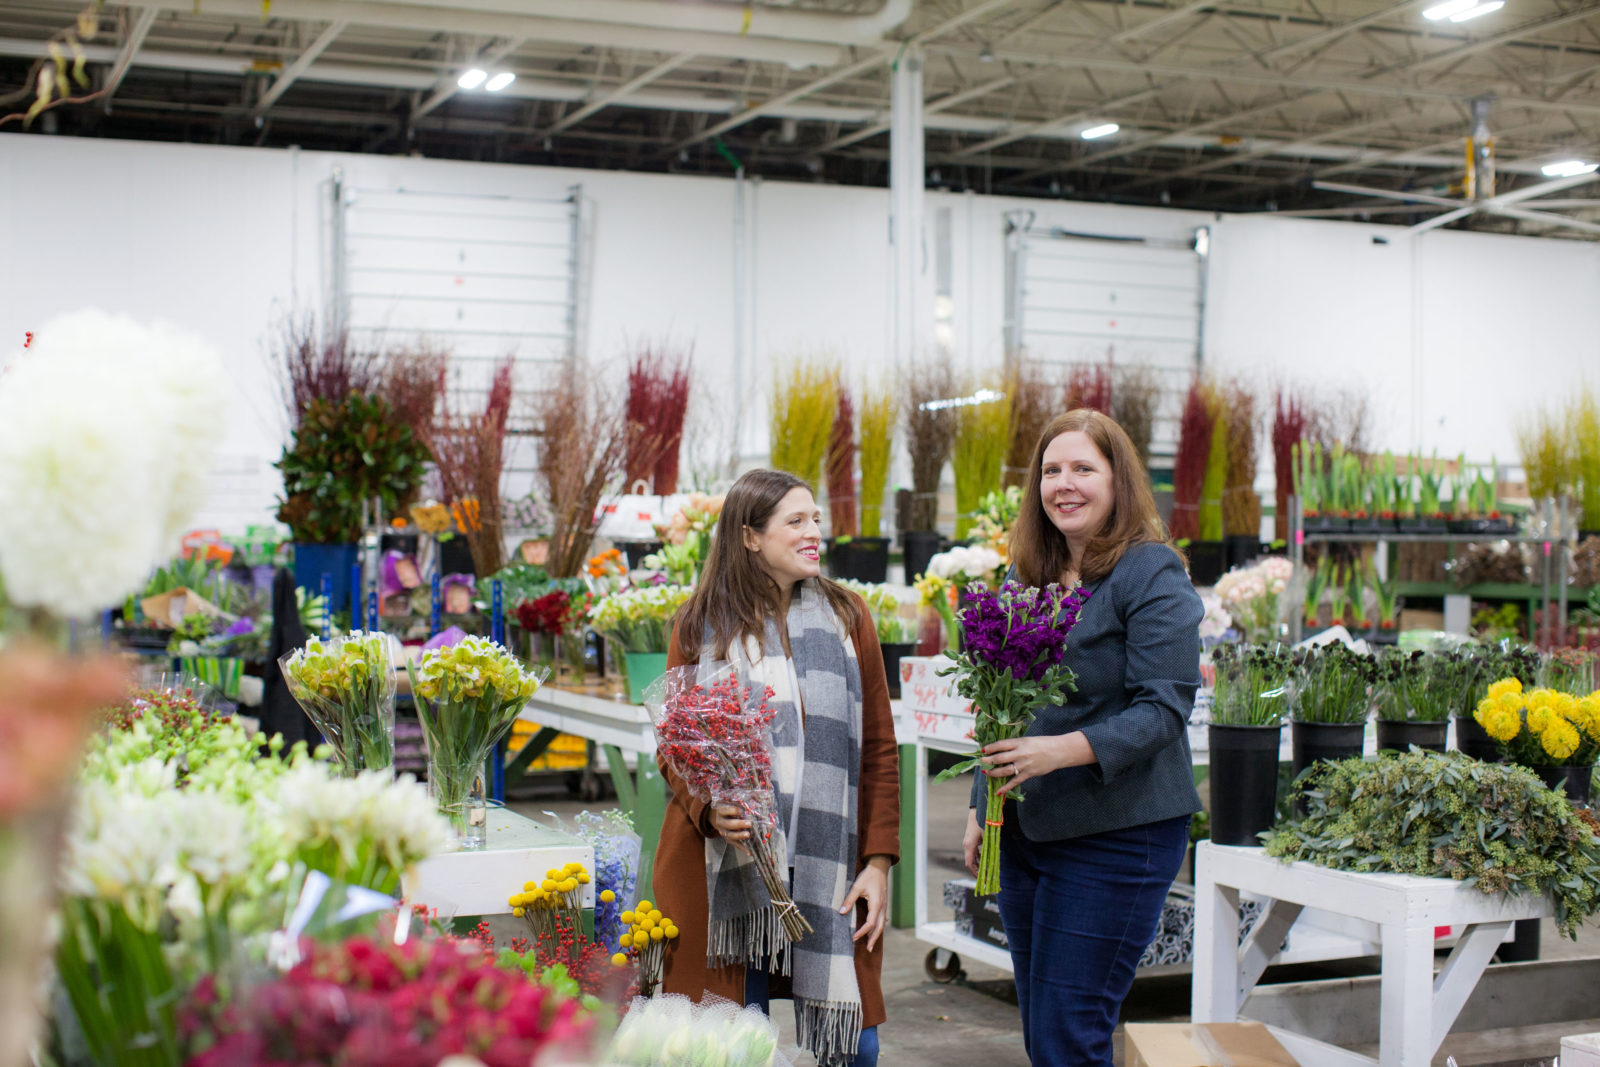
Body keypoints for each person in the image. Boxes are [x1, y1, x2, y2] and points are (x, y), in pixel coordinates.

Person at [964, 409, 1204, 1066]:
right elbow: (999, 704)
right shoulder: (1028, 579)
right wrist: (983, 805)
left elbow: (1164, 707)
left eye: (1082, 469)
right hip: (1028, 831)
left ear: (1117, 480)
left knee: (1073, 1030)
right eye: (1051, 470)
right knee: (1045, 1032)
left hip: (1118, 834)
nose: (1064, 484)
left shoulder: (1150, 572)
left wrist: (1058, 752)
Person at [654, 468, 900, 1067]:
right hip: (726, 877)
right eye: (796, 521)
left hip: (829, 871)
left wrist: (878, 862)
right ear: (750, 537)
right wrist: (710, 808)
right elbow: (673, 749)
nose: (814, 532)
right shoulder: (698, 624)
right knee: (738, 1046)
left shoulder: (849, 620)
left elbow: (880, 751)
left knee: (857, 1047)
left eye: (816, 518)